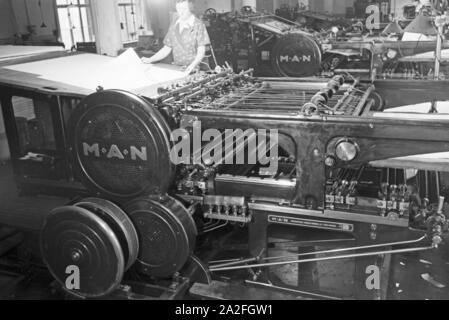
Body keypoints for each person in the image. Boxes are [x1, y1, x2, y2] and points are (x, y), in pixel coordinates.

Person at [142, 0, 211, 75]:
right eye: (179, 9)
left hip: (196, 68)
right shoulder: (174, 25)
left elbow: (201, 51)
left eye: (184, 9)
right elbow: (166, 48)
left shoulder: (198, 25)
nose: (181, 12)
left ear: (191, 8)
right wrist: (150, 59)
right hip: (178, 68)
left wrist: (192, 66)